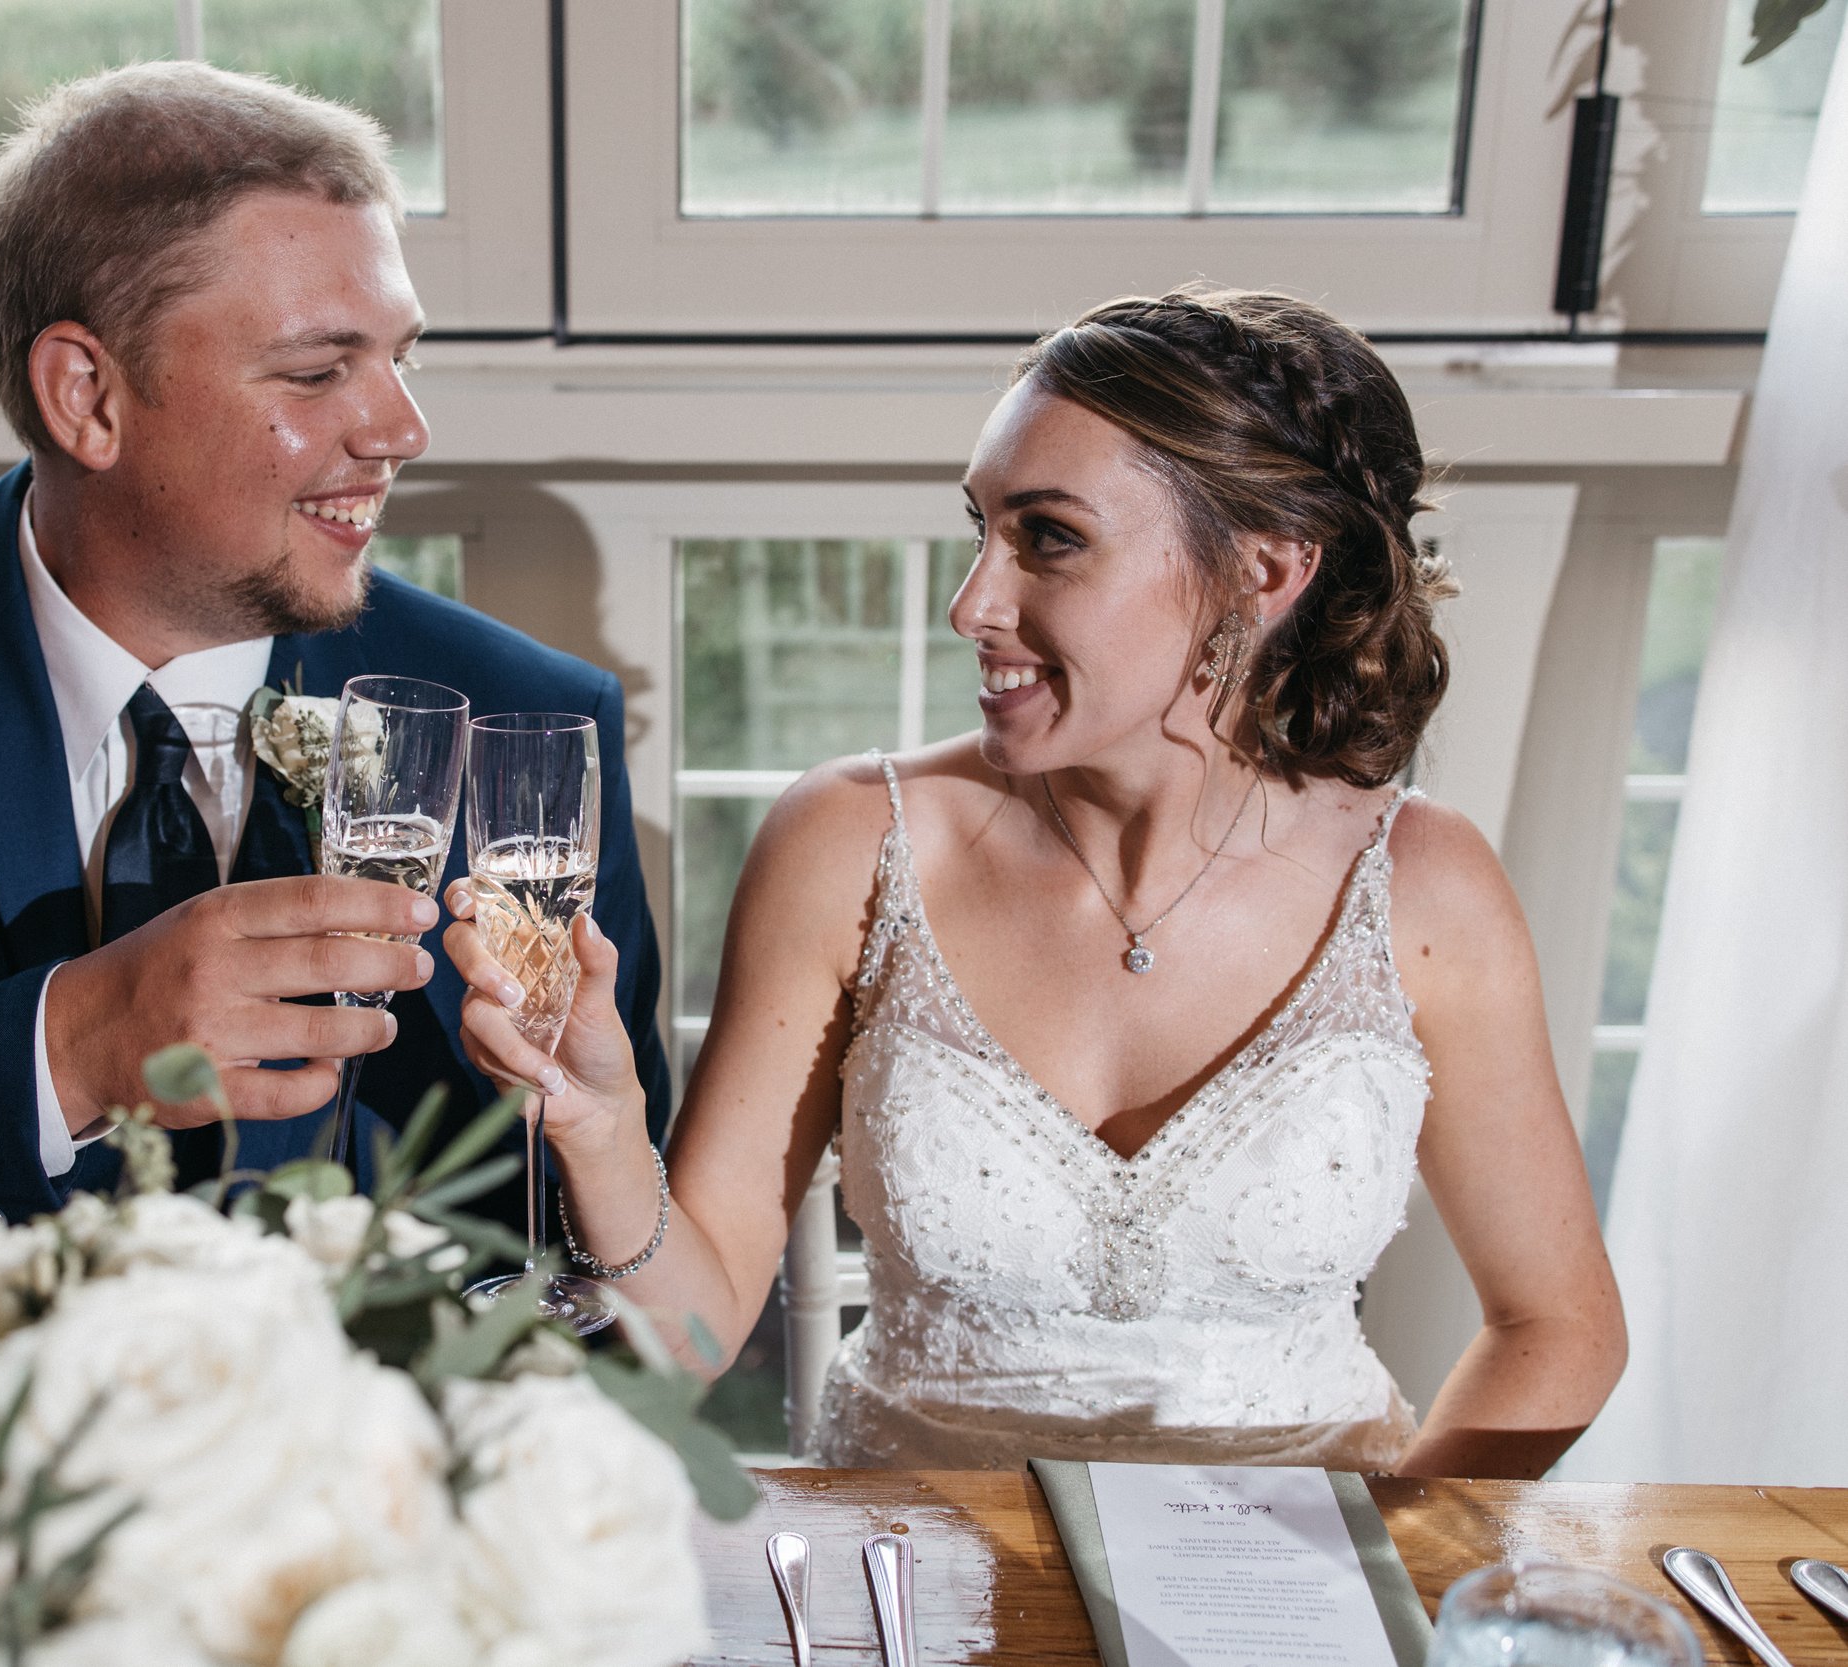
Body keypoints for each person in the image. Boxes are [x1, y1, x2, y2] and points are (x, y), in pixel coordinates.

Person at [447, 289, 1625, 1478]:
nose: (972, 604)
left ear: (1264, 569)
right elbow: (687, 1339)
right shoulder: (848, 842)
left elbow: (1560, 1329)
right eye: (981, 529)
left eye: (1048, 537)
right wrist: (597, 1127)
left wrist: (1377, 1582)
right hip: (917, 1576)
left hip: (1290, 1590)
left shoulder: (1423, 886)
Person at [0, 62, 669, 1362]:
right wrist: (83, 1039)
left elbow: (597, 1256)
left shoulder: (524, 720)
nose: (401, 425)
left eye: (400, 355)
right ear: (86, 397)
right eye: (322, 371)